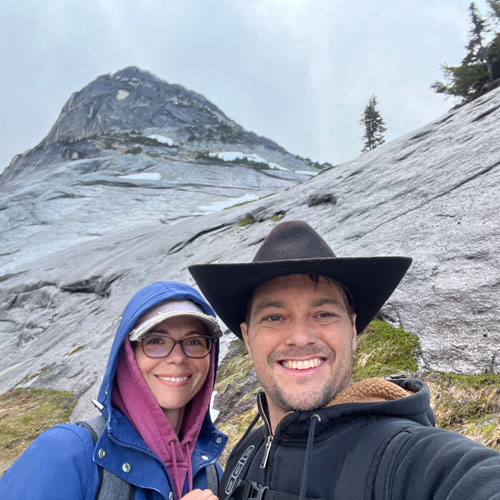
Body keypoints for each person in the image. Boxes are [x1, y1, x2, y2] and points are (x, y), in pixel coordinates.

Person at [189, 220, 500, 500]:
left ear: (352, 328)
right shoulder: (247, 449)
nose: (301, 337)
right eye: (274, 317)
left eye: (324, 314)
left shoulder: (405, 457)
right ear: (247, 336)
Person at [0, 281, 227, 500]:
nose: (178, 358)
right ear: (128, 356)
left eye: (194, 341)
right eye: (156, 340)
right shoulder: (68, 452)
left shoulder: (211, 473)